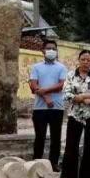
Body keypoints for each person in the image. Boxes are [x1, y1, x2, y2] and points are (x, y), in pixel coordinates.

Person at [60, 50, 90, 178]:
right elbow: (66, 94)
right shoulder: (70, 76)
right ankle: (69, 176)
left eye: (88, 60)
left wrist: (82, 96)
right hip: (75, 115)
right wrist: (81, 98)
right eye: (83, 59)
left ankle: (86, 176)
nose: (86, 62)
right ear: (79, 60)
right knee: (71, 144)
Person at [29, 39, 68, 170]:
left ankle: (54, 163)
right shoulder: (36, 67)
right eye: (49, 48)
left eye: (54, 49)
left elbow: (61, 85)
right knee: (39, 136)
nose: (51, 51)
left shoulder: (62, 67)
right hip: (39, 108)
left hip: (57, 107)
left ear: (56, 51)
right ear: (43, 51)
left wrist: (45, 90)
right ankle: (37, 162)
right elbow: (33, 85)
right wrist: (45, 97)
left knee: (55, 137)